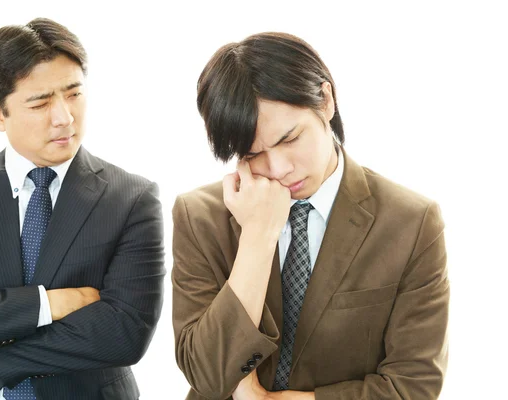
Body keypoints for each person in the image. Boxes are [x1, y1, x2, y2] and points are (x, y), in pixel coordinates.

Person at [172, 32, 449, 400]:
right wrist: (257, 238)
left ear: (326, 100)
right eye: (254, 154)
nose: (280, 168)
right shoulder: (200, 217)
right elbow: (207, 377)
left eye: (290, 139)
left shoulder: (412, 223)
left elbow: (414, 386)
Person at [0, 17, 164, 400]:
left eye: (74, 94)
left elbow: (125, 333)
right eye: (41, 102)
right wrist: (51, 303)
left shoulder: (131, 198)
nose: (64, 117)